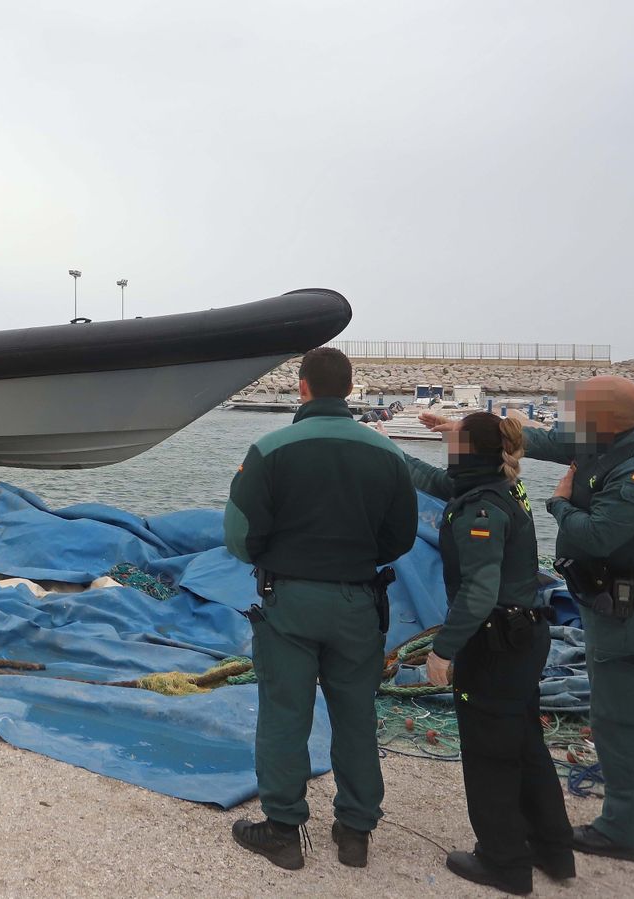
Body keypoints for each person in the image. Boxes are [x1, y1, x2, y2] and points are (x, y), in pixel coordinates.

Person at [423, 375, 634, 864]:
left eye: (577, 410)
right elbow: (534, 440)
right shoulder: (603, 442)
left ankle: (625, 832)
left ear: (603, 419)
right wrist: (460, 431)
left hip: (632, 610)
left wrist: (558, 503)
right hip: (606, 603)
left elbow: (598, 536)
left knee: (619, 719)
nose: (567, 417)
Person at [225, 347, 419, 871]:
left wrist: (276, 560)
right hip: (359, 600)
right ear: (351, 391)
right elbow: (401, 536)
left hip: (289, 600)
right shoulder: (388, 453)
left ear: (302, 387)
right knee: (356, 715)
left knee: (286, 714)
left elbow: (239, 535)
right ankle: (355, 831)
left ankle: (283, 831)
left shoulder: (269, 448)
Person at [403, 412, 574, 894]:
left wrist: (442, 650)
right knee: (524, 741)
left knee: (490, 753)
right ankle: (552, 848)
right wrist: (385, 447)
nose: (446, 449)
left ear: (469, 450)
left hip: (496, 643)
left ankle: (504, 862)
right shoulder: (491, 483)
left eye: (454, 441)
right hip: (522, 637)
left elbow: (479, 590)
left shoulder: (481, 508)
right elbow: (433, 478)